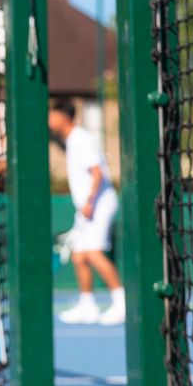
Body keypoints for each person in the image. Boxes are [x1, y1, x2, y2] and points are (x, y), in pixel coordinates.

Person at [49, 100, 125, 325]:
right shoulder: (71, 140)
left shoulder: (81, 138)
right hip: (87, 207)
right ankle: (87, 305)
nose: (49, 120)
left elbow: (97, 172)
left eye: (52, 115)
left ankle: (121, 302)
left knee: (93, 253)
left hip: (98, 204)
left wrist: (91, 201)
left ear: (64, 117)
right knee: (79, 256)